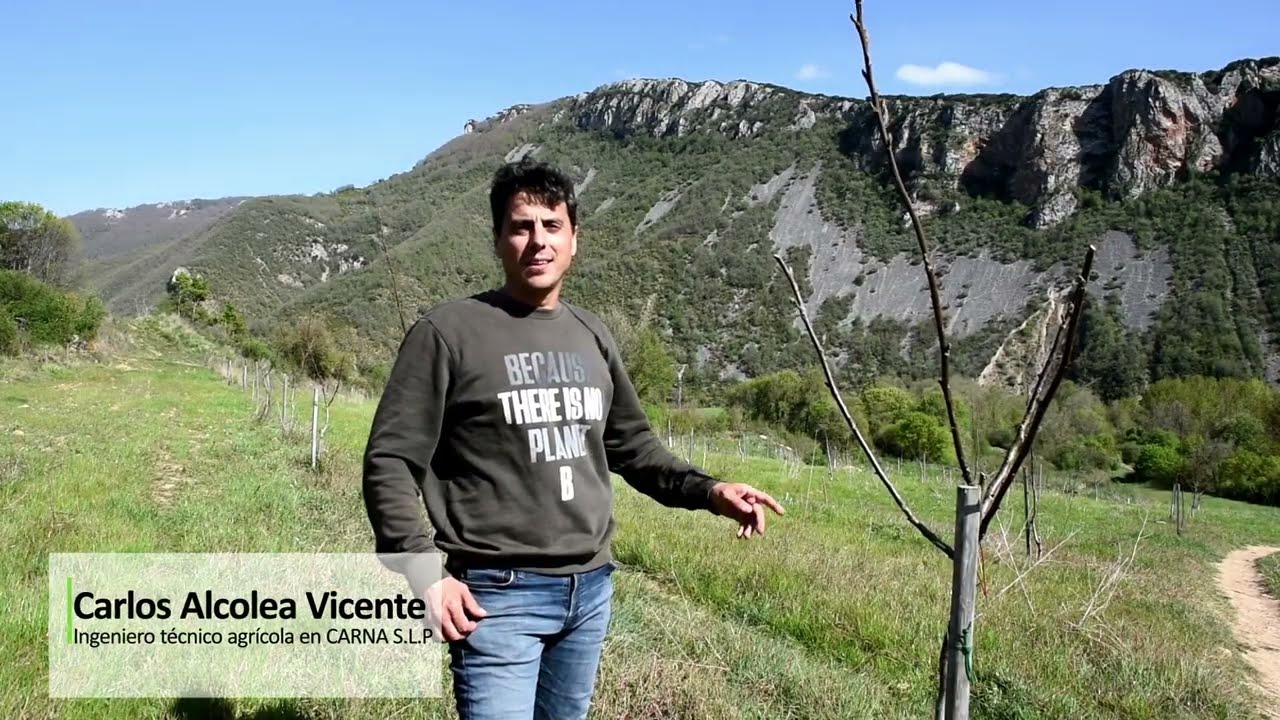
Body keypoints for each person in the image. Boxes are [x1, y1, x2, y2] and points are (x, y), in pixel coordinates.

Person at [361, 157, 784, 720]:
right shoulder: (447, 333)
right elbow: (390, 460)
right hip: (496, 595)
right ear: (498, 239)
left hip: (589, 591)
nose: (538, 241)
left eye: (551, 225)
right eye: (521, 226)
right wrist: (421, 572)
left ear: (574, 239)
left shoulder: (591, 334)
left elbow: (633, 448)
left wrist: (710, 491)